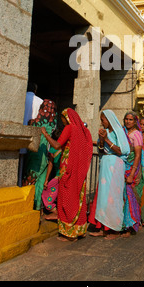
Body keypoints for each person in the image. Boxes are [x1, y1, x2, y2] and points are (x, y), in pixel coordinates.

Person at [41, 108, 93, 242]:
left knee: (66, 197)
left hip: (68, 167)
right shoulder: (84, 131)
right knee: (78, 197)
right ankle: (79, 230)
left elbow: (57, 145)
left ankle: (69, 233)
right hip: (79, 170)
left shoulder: (69, 128)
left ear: (67, 117)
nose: (62, 121)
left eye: (63, 118)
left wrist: (46, 135)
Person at [88, 110, 130, 240]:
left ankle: (114, 230)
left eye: (103, 120)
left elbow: (121, 150)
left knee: (112, 197)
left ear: (109, 119)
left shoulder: (118, 131)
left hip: (115, 165)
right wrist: (101, 140)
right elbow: (101, 150)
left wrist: (106, 139)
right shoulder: (107, 133)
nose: (102, 123)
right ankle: (102, 228)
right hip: (105, 164)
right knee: (102, 197)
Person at [22, 99, 57, 211]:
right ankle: (38, 207)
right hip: (45, 157)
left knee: (31, 177)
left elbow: (29, 125)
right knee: (41, 181)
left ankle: (27, 204)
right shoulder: (53, 125)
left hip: (34, 154)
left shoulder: (34, 122)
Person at [122, 111, 144, 237]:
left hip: (132, 168)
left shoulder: (136, 135)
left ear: (134, 121)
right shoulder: (123, 132)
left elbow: (137, 155)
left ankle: (131, 225)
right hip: (123, 166)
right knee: (123, 196)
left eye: (131, 119)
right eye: (126, 119)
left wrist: (132, 174)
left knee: (131, 197)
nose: (128, 121)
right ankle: (124, 224)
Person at [41, 128, 63, 220]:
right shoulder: (65, 147)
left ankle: (56, 212)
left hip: (58, 177)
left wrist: (46, 180)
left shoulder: (54, 150)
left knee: (45, 194)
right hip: (61, 177)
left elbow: (50, 164)